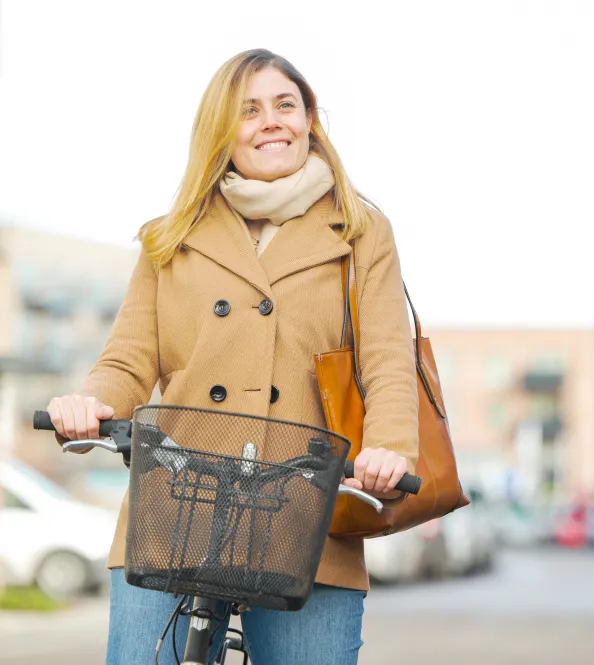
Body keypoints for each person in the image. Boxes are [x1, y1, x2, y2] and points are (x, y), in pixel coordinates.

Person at [46, 48, 419, 665]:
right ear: (223, 129)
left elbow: (385, 362)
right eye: (249, 110)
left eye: (285, 105)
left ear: (309, 120)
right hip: (177, 505)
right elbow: (130, 359)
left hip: (305, 508)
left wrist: (389, 447)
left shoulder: (359, 232)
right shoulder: (172, 235)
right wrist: (90, 403)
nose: (271, 120)